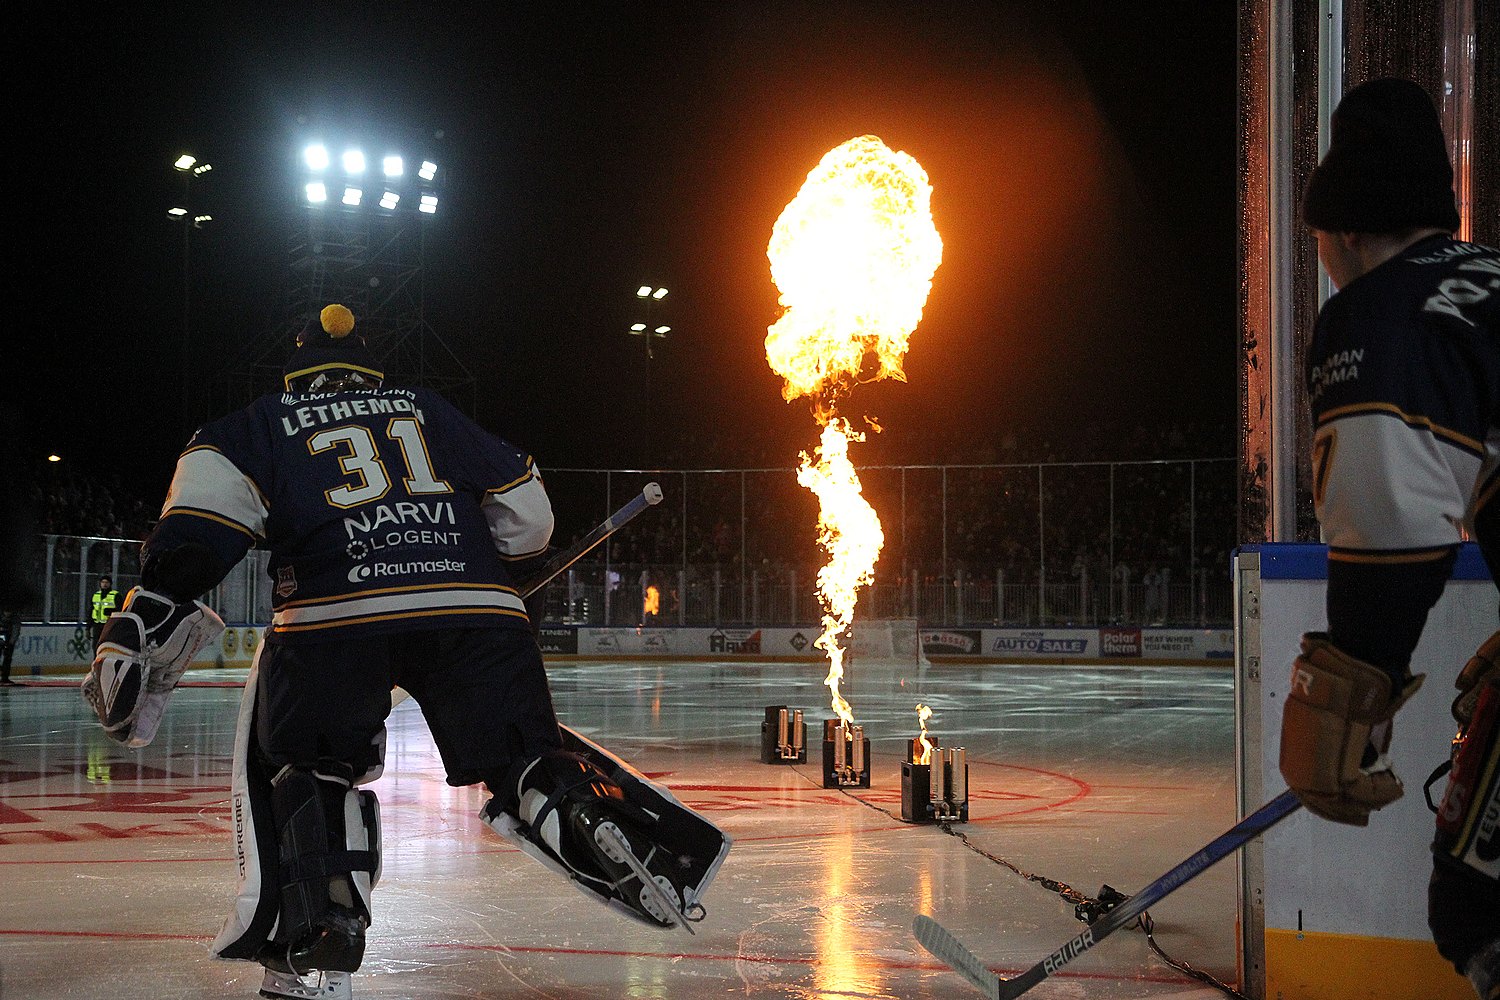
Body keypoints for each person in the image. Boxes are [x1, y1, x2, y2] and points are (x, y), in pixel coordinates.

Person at [81, 305, 726, 1000]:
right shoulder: (427, 409)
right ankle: (575, 807)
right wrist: (478, 562)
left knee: (310, 764)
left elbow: (197, 531)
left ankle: (326, 922)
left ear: (297, 372)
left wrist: (149, 608)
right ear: (369, 369)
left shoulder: (259, 423)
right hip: (476, 610)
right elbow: (530, 517)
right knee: (520, 752)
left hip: (333, 614)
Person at [1276, 78, 1499, 1000]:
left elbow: (1388, 554)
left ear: (1346, 232)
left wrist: (1346, 703)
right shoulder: (1488, 279)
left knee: (1481, 905)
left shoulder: (1375, 319)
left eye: (1320, 244)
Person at [89, 575, 119, 650]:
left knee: (107, 645)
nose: (104, 584)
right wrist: (88, 627)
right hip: (97, 625)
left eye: (107, 582)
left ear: (110, 584)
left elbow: (120, 610)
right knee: (95, 645)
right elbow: (91, 611)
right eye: (103, 582)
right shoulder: (96, 595)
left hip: (109, 625)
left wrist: (110, 611)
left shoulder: (115, 595)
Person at [0, 605, 20, 685]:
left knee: (7, 659)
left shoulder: (15, 619)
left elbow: (16, 631)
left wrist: (11, 643)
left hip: (9, 641)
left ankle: (5, 677)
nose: (7, 614)